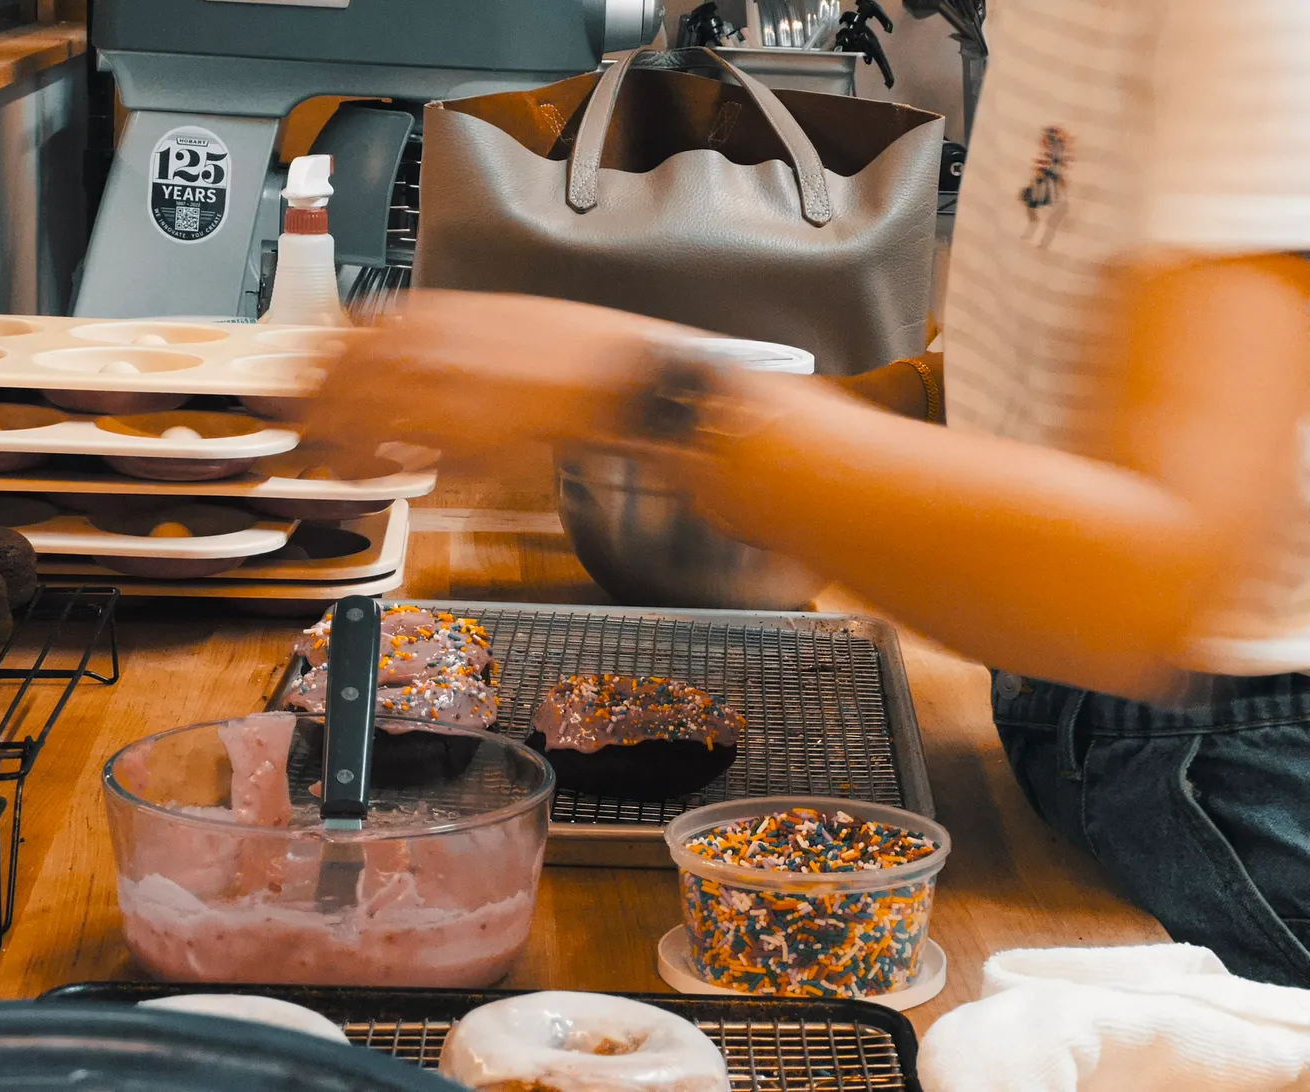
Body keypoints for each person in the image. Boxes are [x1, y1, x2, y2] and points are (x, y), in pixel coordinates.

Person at [303, 0, 1310, 983]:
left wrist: (634, 390)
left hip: (1236, 791)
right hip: (1106, 747)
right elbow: (1072, 376)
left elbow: (1156, 582)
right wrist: (838, 426)